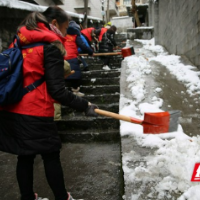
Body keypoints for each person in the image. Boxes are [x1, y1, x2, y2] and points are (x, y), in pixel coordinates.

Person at [0, 6, 98, 200]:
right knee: (51, 155)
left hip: (12, 108)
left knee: (25, 156)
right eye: (64, 28)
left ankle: (28, 197)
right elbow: (57, 91)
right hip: (36, 111)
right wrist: (84, 105)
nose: (64, 33)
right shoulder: (49, 48)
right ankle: (63, 198)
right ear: (54, 24)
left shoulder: (18, 42)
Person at [64, 21, 93, 97]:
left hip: (62, 57)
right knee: (75, 75)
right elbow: (82, 45)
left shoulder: (62, 34)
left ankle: (65, 91)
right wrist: (90, 52)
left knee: (65, 74)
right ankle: (75, 91)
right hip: (72, 57)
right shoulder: (75, 35)